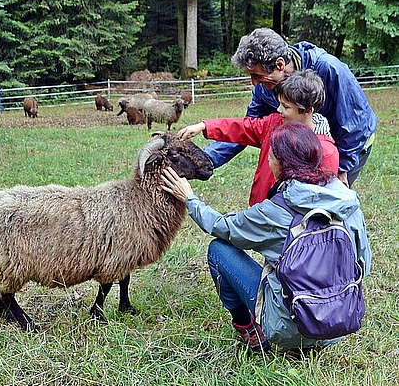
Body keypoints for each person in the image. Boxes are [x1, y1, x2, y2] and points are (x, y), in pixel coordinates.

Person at [161, 122, 371, 353]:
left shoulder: (276, 211)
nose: (268, 159)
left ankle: (251, 332)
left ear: (280, 163)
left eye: (269, 154)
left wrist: (190, 199)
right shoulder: (347, 201)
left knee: (219, 250)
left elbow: (223, 227)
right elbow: (363, 264)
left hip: (289, 328)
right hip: (341, 323)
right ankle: (317, 331)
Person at [204, 27, 377, 187]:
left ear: (279, 65)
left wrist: (342, 168)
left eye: (257, 75)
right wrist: (206, 158)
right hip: (306, 145)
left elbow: (356, 124)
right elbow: (248, 127)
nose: (255, 83)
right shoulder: (264, 88)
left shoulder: (328, 69)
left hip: (348, 144)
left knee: (325, 203)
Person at [177, 69, 339, 206]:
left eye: (286, 107)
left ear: (307, 111)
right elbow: (244, 127)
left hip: (290, 228)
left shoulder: (324, 152)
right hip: (260, 210)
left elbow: (323, 200)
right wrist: (205, 126)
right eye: (280, 103)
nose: (278, 109)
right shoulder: (275, 123)